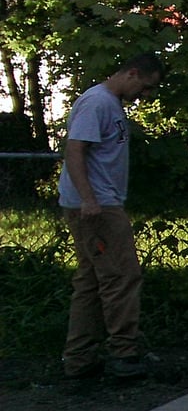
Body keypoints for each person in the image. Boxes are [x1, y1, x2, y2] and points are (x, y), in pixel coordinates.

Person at [58, 52, 163, 381]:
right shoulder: (98, 103)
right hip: (98, 207)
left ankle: (80, 359)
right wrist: (89, 199)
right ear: (132, 73)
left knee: (91, 281)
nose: (145, 95)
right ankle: (124, 354)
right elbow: (75, 149)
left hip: (98, 203)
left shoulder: (110, 104)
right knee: (121, 276)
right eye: (145, 87)